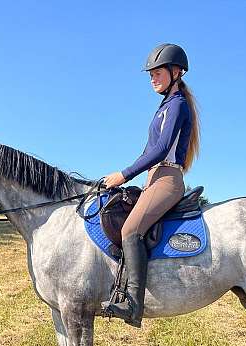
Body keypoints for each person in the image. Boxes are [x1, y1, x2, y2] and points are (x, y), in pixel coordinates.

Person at [101, 43, 201, 327]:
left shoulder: (178, 104)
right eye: (151, 74)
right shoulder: (164, 108)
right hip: (153, 178)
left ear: (176, 72)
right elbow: (148, 151)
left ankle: (133, 305)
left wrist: (124, 174)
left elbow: (159, 151)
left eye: (157, 73)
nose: (152, 78)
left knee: (130, 230)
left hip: (168, 179)